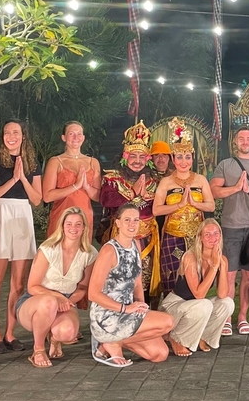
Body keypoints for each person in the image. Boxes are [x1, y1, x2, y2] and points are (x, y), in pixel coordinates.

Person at [0, 119, 43, 354]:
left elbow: (37, 200)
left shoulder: (31, 163)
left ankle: (10, 333)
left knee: (18, 283)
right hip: (0, 215)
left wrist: (23, 178)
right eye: (7, 133)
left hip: (22, 217)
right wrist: (12, 180)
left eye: (15, 132)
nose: (11, 136)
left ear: (23, 136)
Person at [89, 202, 174, 366]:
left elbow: (137, 282)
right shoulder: (109, 251)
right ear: (118, 222)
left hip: (129, 310)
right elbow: (93, 294)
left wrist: (141, 305)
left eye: (136, 220)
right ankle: (110, 340)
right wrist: (125, 309)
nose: (132, 224)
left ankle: (115, 342)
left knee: (160, 354)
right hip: (108, 316)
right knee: (168, 322)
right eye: (127, 220)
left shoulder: (135, 245)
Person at [210, 125, 249, 336]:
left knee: (248, 276)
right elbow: (214, 192)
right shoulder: (225, 165)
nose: (245, 142)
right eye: (241, 138)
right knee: (228, 276)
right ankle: (226, 317)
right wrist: (235, 189)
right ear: (235, 142)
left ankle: (242, 317)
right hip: (230, 226)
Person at [16, 207, 98, 367]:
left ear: (83, 228)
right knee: (49, 302)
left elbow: (82, 288)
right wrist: (58, 297)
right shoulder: (48, 249)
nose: (73, 228)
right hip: (36, 301)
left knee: (67, 333)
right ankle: (38, 349)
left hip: (66, 300)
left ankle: (54, 338)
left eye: (78, 224)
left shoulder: (89, 253)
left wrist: (67, 302)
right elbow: (32, 286)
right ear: (62, 226)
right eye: (69, 224)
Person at [154, 118, 216, 295]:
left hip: (197, 237)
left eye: (187, 157)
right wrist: (179, 204)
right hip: (173, 237)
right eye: (179, 157)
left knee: (197, 276)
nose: (184, 161)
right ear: (173, 158)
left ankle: (195, 314)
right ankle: (171, 315)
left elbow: (211, 205)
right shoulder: (166, 182)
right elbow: (156, 210)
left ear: (192, 158)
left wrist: (195, 204)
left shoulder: (200, 179)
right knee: (172, 277)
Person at [99, 121, 160, 300]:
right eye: (133, 156)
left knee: (145, 283)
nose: (137, 161)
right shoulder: (112, 178)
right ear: (125, 156)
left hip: (147, 240)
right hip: (119, 239)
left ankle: (145, 318)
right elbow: (106, 200)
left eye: (142, 157)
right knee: (119, 281)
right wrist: (132, 193)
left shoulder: (155, 181)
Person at [159, 218, 235, 356]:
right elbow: (198, 295)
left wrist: (221, 265)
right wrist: (214, 266)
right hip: (175, 305)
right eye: (207, 234)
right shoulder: (190, 256)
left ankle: (202, 336)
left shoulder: (221, 259)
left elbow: (223, 294)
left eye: (216, 233)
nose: (213, 238)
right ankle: (176, 338)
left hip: (193, 306)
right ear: (200, 237)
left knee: (227, 303)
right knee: (204, 304)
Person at [42, 121, 101, 238]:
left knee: (82, 254)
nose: (76, 137)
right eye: (71, 134)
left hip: (84, 217)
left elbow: (98, 197)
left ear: (83, 138)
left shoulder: (93, 162)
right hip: (62, 217)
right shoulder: (55, 161)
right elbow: (47, 197)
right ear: (63, 137)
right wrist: (75, 186)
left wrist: (86, 186)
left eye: (79, 134)